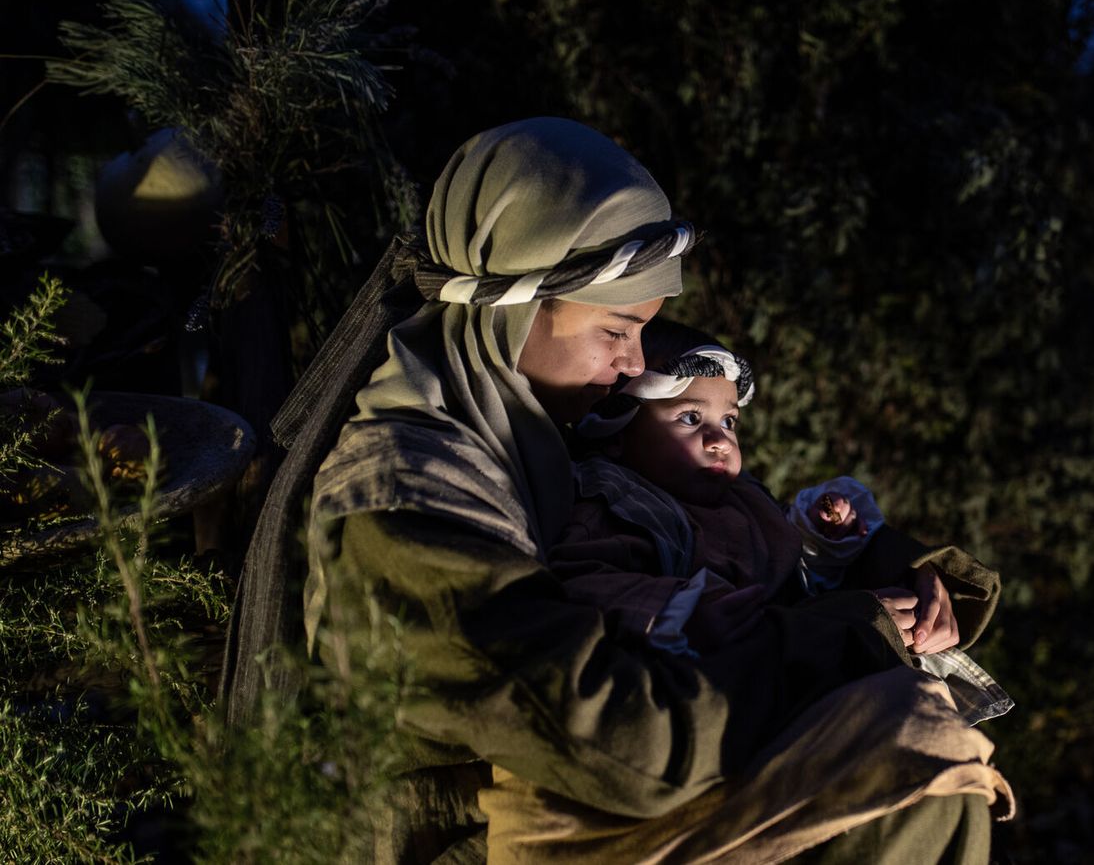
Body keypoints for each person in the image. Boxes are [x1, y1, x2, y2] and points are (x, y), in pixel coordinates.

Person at [298, 118, 1010, 863]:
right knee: (913, 763)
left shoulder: (530, 429)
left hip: (594, 796)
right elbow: (608, 732)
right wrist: (835, 641)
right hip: (485, 833)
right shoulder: (409, 498)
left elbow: (729, 530)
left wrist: (893, 576)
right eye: (616, 330)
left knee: (918, 754)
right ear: (514, 309)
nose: (634, 361)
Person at [549, 319, 1013, 727]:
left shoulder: (743, 499)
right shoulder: (613, 502)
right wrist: (681, 610)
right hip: (726, 702)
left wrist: (828, 539)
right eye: (690, 418)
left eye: (729, 421)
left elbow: (795, 577)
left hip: (800, 685)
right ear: (614, 434)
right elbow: (581, 581)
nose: (719, 440)